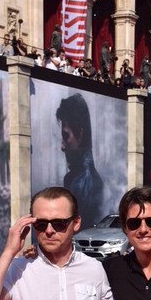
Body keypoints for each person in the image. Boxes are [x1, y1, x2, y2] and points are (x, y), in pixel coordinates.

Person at [55, 93, 104, 228]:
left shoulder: (84, 182)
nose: (62, 146)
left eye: (66, 136)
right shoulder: (79, 179)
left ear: (80, 134)